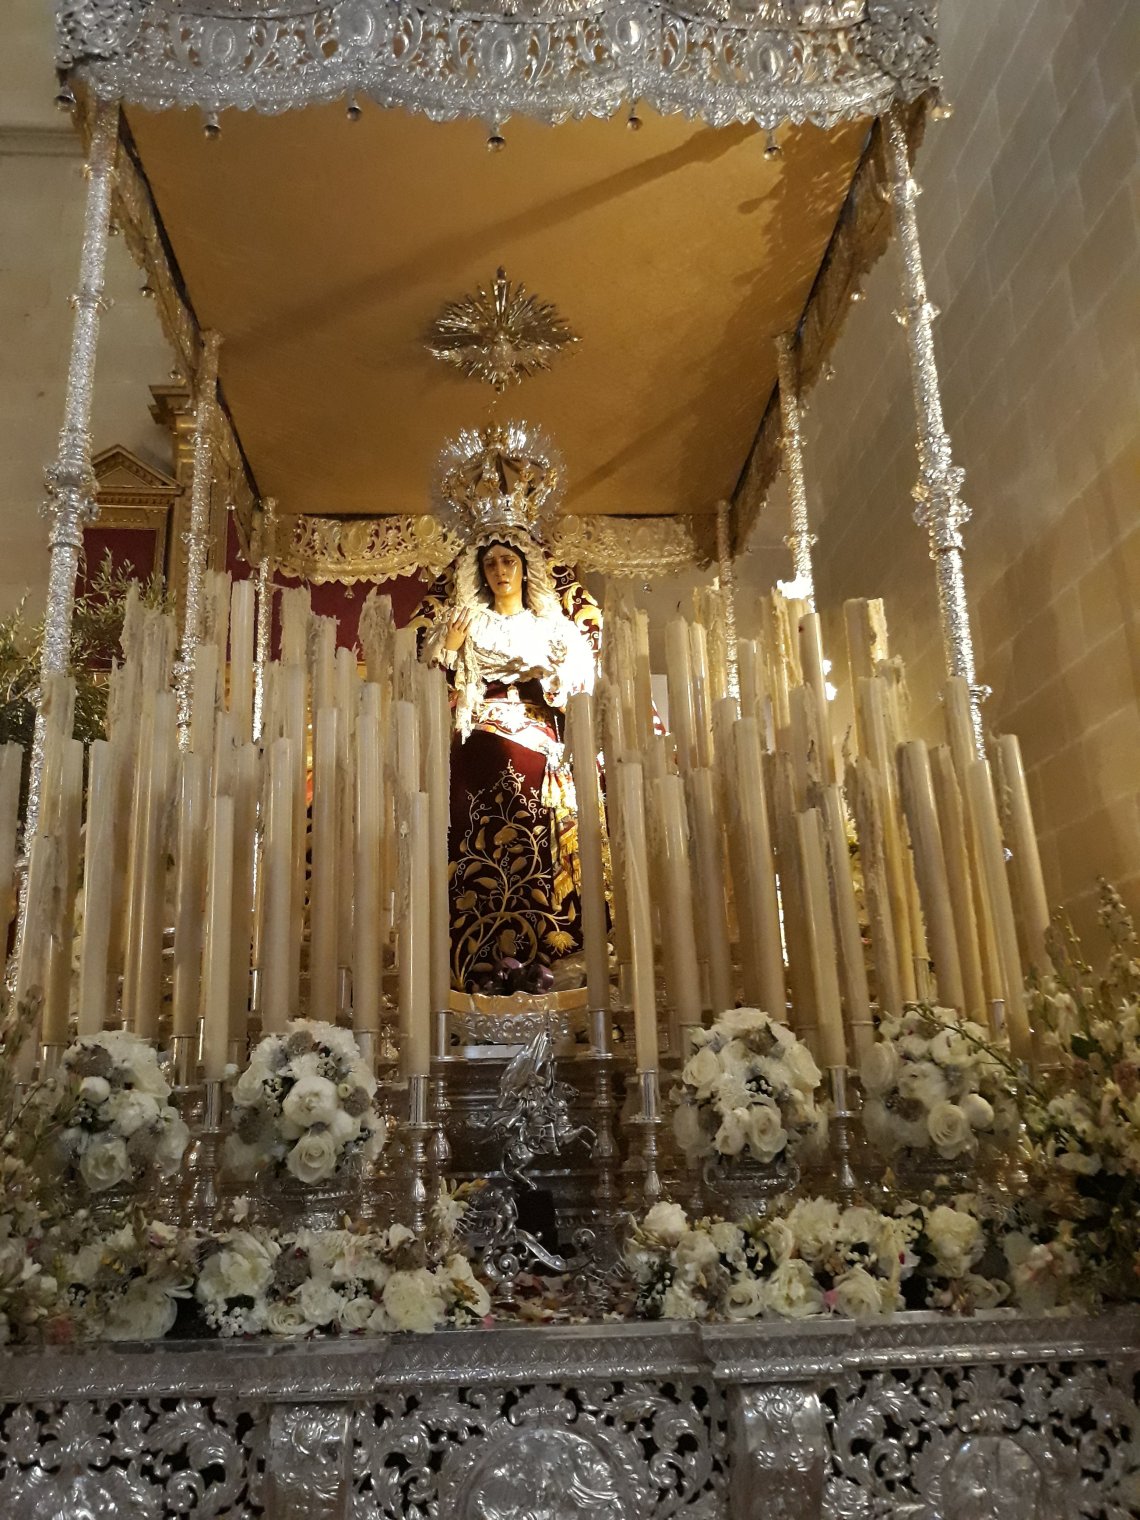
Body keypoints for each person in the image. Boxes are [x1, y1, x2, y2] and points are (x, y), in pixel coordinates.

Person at [419, 532, 598, 992]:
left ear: (525, 567)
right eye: (491, 563)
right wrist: (451, 648)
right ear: (480, 572)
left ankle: (549, 946)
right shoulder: (465, 622)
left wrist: (557, 674)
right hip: (479, 739)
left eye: (508, 561)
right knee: (475, 831)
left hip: (539, 742)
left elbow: (576, 689)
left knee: (539, 836)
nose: (500, 571)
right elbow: (433, 685)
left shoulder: (551, 626)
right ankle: (477, 951)